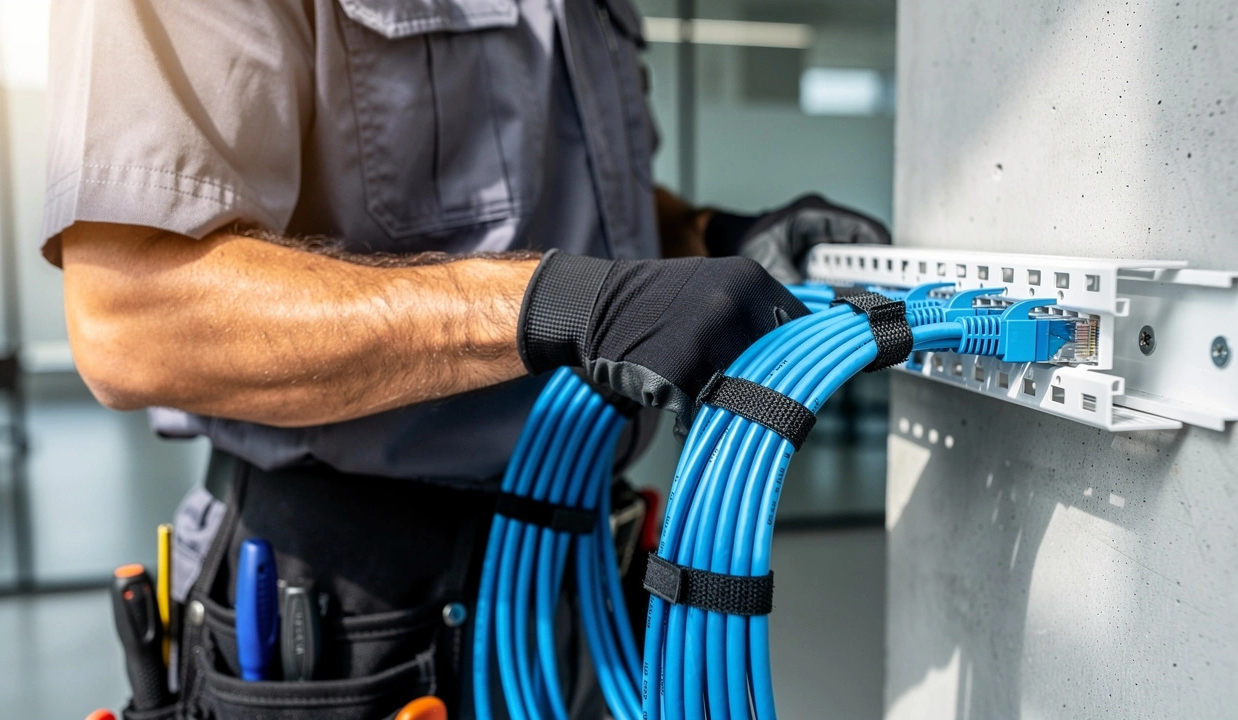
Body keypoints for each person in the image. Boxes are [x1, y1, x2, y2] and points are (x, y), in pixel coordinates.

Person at [44, 0, 889, 717]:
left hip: (587, 576)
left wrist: (704, 238)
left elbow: (562, 213)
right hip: (357, 614)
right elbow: (132, 315)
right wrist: (564, 306)